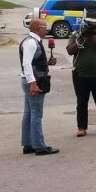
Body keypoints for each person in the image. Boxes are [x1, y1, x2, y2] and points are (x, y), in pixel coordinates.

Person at [66, 11, 96, 136]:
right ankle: (82, 127)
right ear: (84, 22)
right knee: (81, 102)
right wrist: (82, 38)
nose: (92, 24)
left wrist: (93, 39)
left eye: (94, 22)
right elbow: (70, 51)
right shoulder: (77, 34)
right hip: (80, 75)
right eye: (89, 22)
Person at [19, 18, 58, 155]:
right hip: (34, 81)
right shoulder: (31, 42)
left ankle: (28, 143)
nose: (46, 29)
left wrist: (47, 63)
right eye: (44, 26)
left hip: (31, 79)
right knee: (36, 113)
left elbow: (34, 62)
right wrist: (33, 83)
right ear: (37, 28)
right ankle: (39, 146)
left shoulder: (32, 41)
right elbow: (26, 64)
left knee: (29, 113)